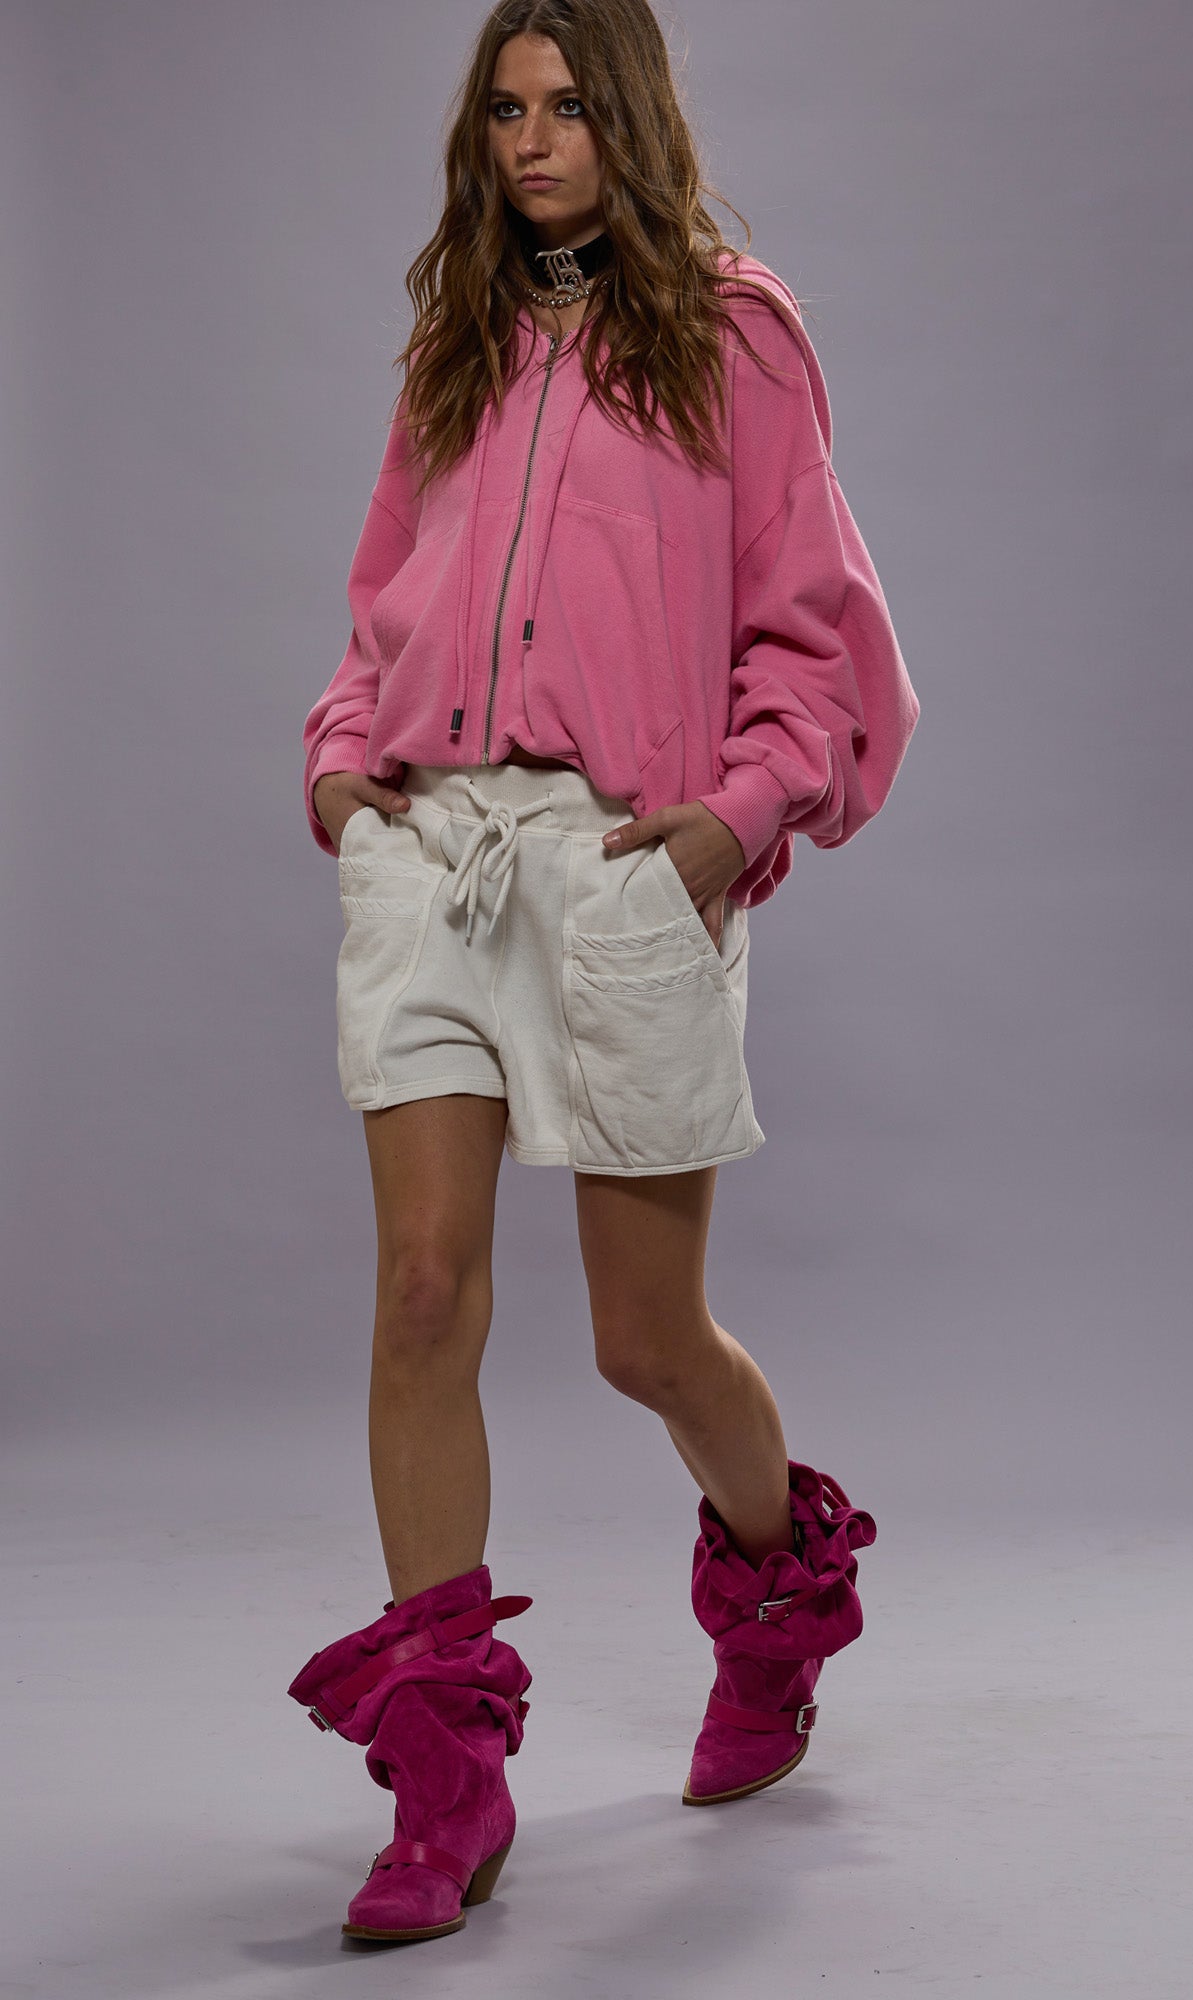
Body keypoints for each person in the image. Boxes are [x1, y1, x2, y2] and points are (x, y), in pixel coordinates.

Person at [286, 0, 920, 1947]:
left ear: (628, 117)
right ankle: (447, 1773)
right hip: (434, 849)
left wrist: (739, 814)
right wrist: (343, 764)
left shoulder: (731, 330)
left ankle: (778, 1594)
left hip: (623, 857)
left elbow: (812, 626)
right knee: (420, 1290)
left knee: (643, 1340)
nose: (531, 140)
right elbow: (380, 599)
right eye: (503, 109)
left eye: (565, 106)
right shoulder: (461, 338)